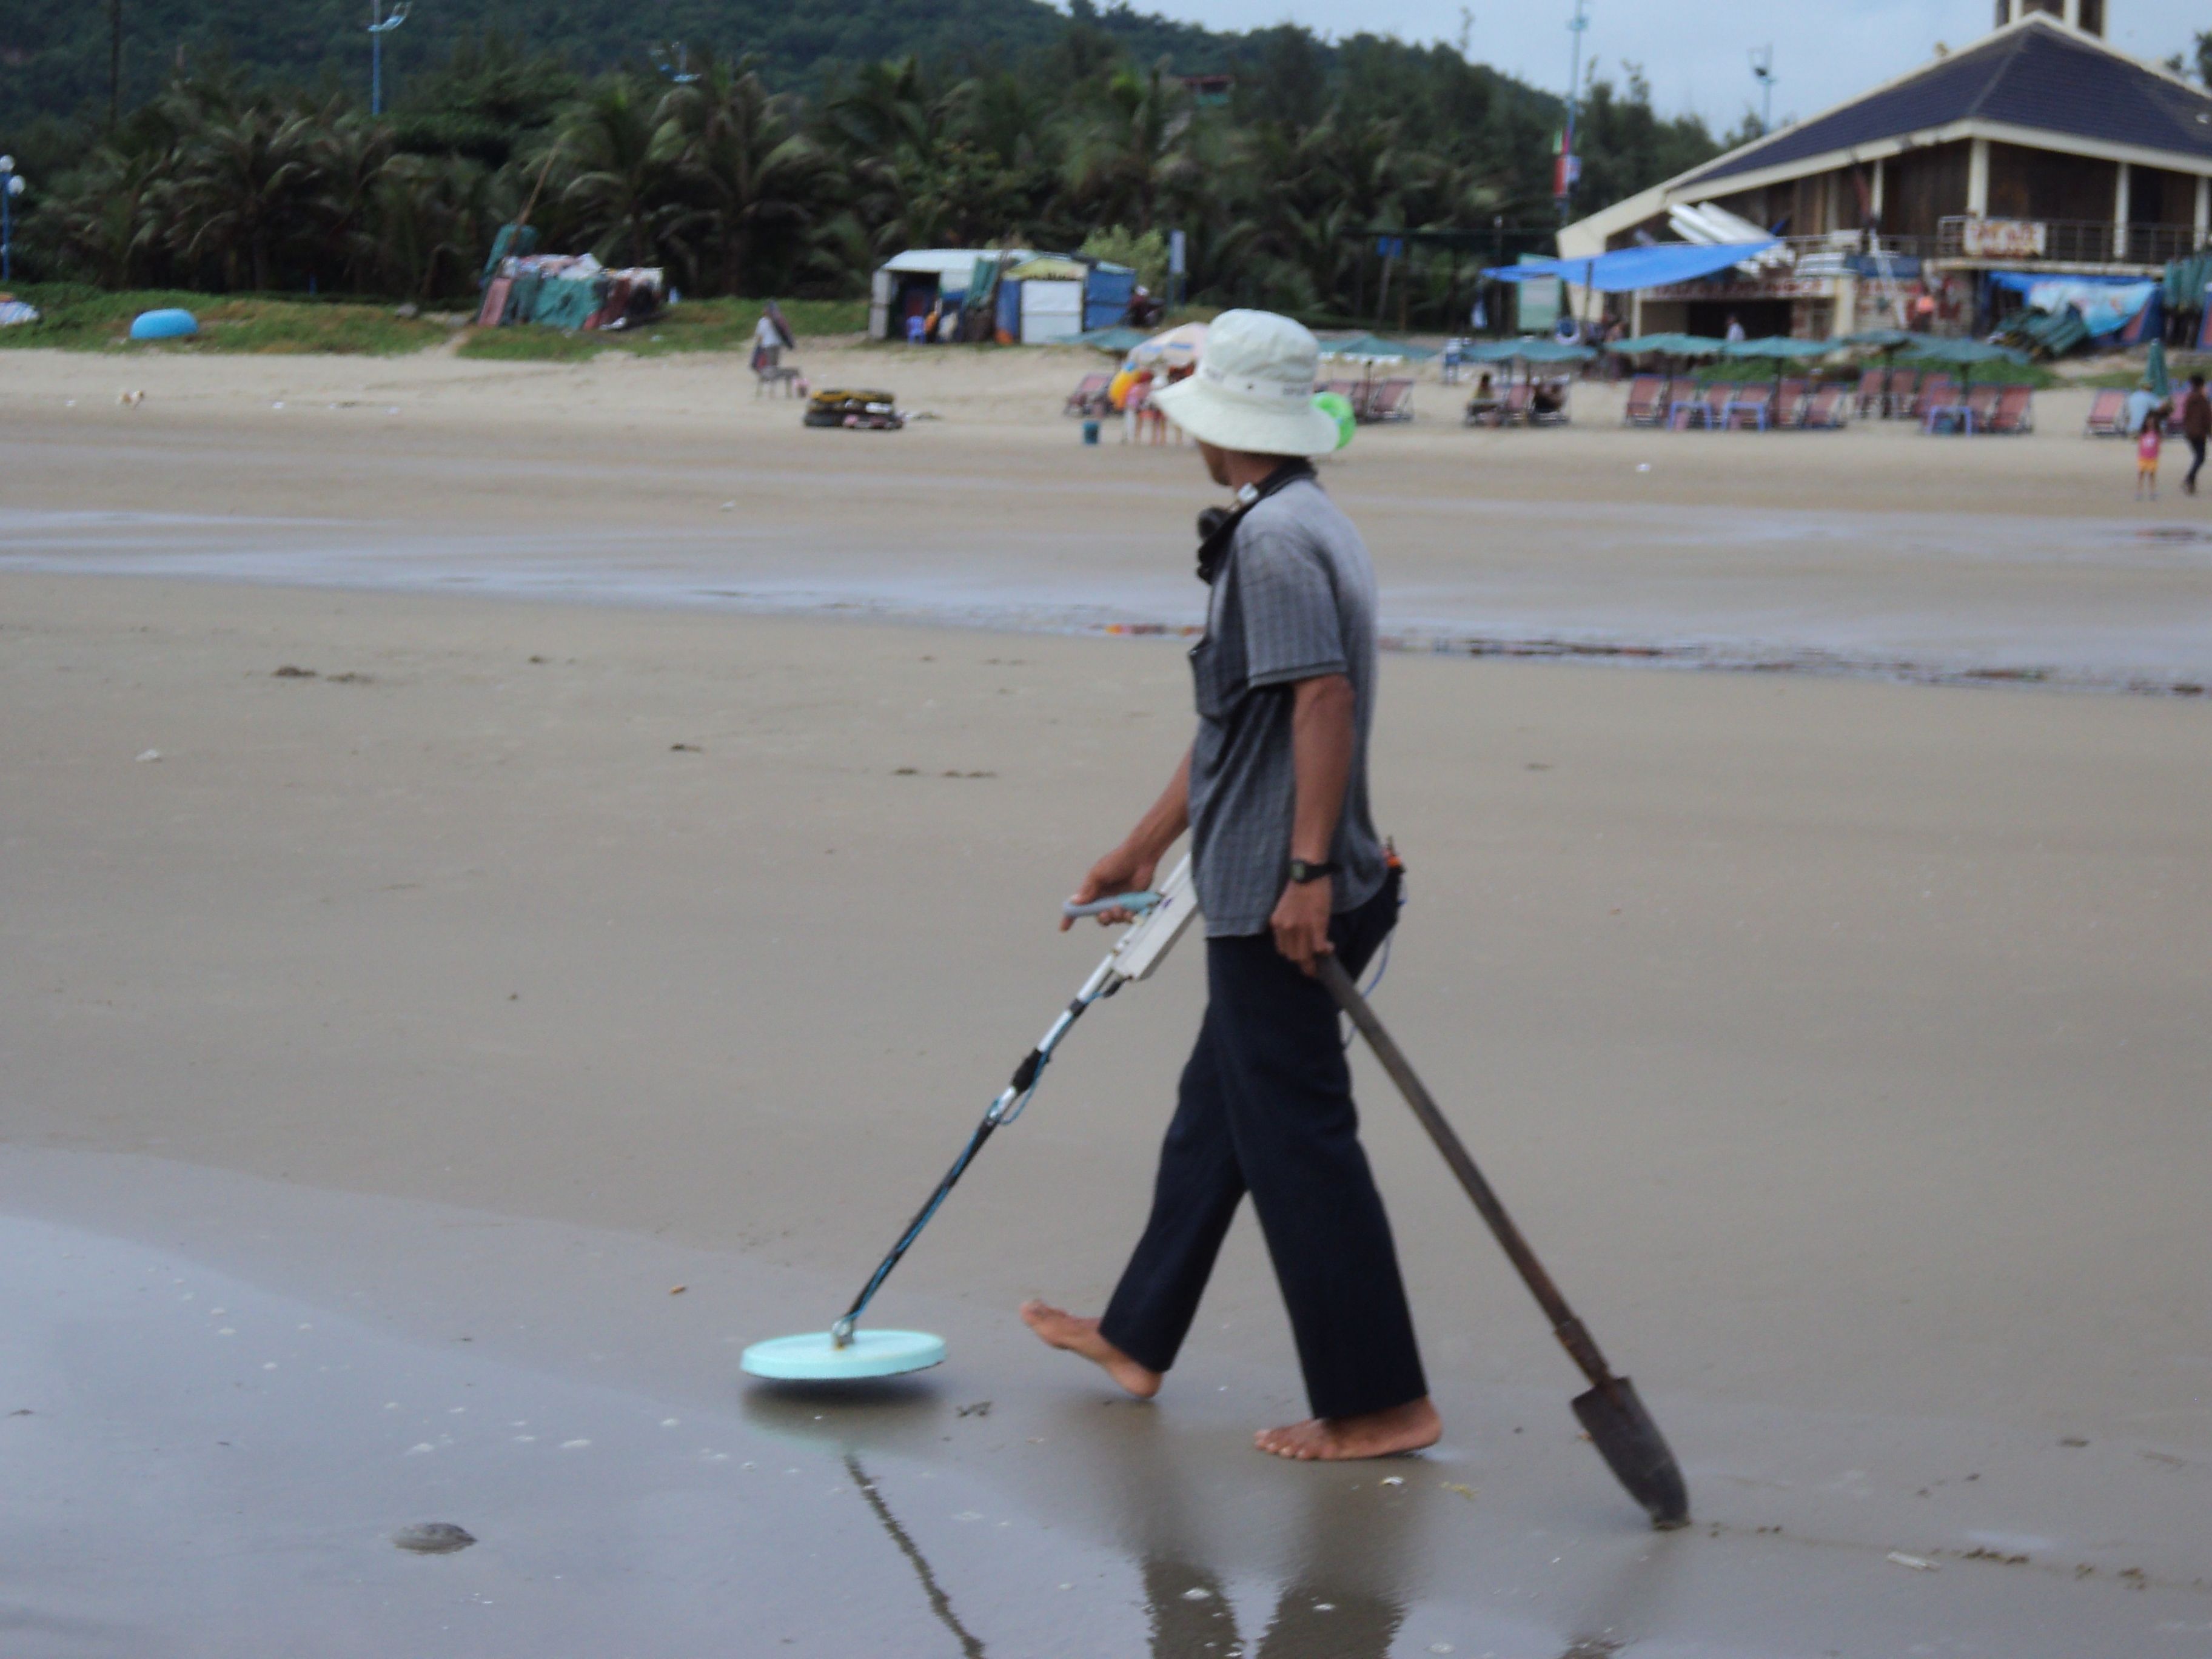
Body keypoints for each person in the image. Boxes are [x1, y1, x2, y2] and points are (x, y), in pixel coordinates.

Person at [1021, 309, 1439, 1463]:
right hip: (1266, 871)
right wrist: (1140, 847)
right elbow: (1238, 727)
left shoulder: (1272, 541)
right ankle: (1137, 1333)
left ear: (1225, 425)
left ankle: (1379, 1402)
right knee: (1219, 1114)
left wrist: (1302, 876)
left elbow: (1320, 704)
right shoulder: (1300, 518)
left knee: (1299, 1140)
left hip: (1281, 895)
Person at [2182, 373, 2210, 496]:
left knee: (2198, 457)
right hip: (2199, 432)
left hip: (2189, 432)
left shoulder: (2189, 398)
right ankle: (2189, 478)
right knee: (2201, 457)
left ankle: (2191, 482)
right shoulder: (2202, 399)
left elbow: (2186, 416)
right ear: (2202, 385)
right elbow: (2207, 417)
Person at [2137, 407, 2164, 501]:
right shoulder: (2143, 433)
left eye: (2152, 422)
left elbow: (2159, 444)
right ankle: (2139, 491)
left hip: (2152, 458)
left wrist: (2158, 452)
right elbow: (2140, 443)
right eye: (2149, 422)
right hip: (2143, 457)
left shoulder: (2156, 434)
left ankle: (2153, 492)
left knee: (2152, 475)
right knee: (2141, 474)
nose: (2150, 424)